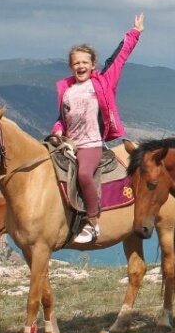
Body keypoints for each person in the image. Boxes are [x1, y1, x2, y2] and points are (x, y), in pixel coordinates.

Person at [52, 13, 145, 244]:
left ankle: (92, 222)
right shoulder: (67, 89)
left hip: (91, 144)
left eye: (85, 62)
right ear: (71, 66)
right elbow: (62, 118)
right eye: (76, 63)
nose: (80, 66)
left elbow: (119, 58)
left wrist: (135, 33)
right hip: (68, 144)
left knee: (84, 174)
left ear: (93, 64)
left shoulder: (102, 82)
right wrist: (57, 130)